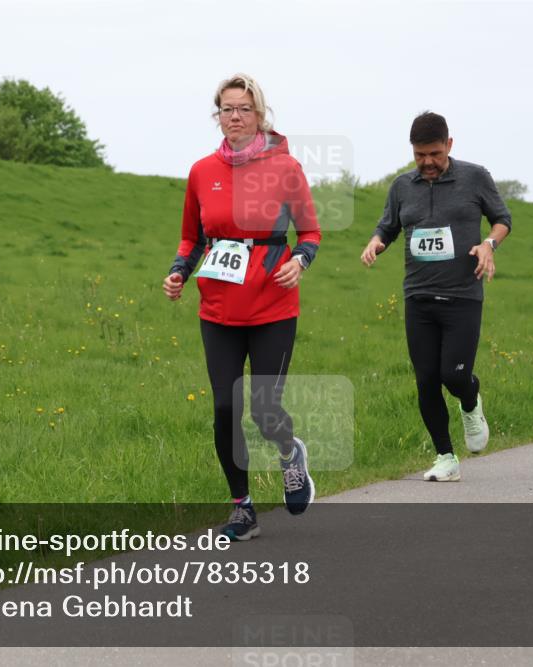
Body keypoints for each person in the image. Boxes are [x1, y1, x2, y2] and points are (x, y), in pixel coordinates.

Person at [163, 74, 320, 540]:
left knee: (264, 410)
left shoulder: (285, 168)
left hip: (273, 304)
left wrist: (299, 260)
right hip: (218, 308)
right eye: (227, 110)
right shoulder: (201, 171)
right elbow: (192, 237)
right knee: (226, 408)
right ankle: (242, 508)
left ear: (260, 115)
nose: (235, 117)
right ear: (218, 116)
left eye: (244, 109)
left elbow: (310, 232)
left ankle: (291, 454)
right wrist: (178, 272)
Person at [361, 111, 511, 482]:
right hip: (419, 296)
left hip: (462, 295)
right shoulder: (402, 186)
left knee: (453, 375)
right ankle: (446, 457)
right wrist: (377, 242)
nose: (427, 162)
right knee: (426, 379)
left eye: (434, 154)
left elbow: (503, 218)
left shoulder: (475, 177)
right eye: (419, 155)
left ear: (449, 145)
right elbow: (389, 224)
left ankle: (471, 399)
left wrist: (488, 244)